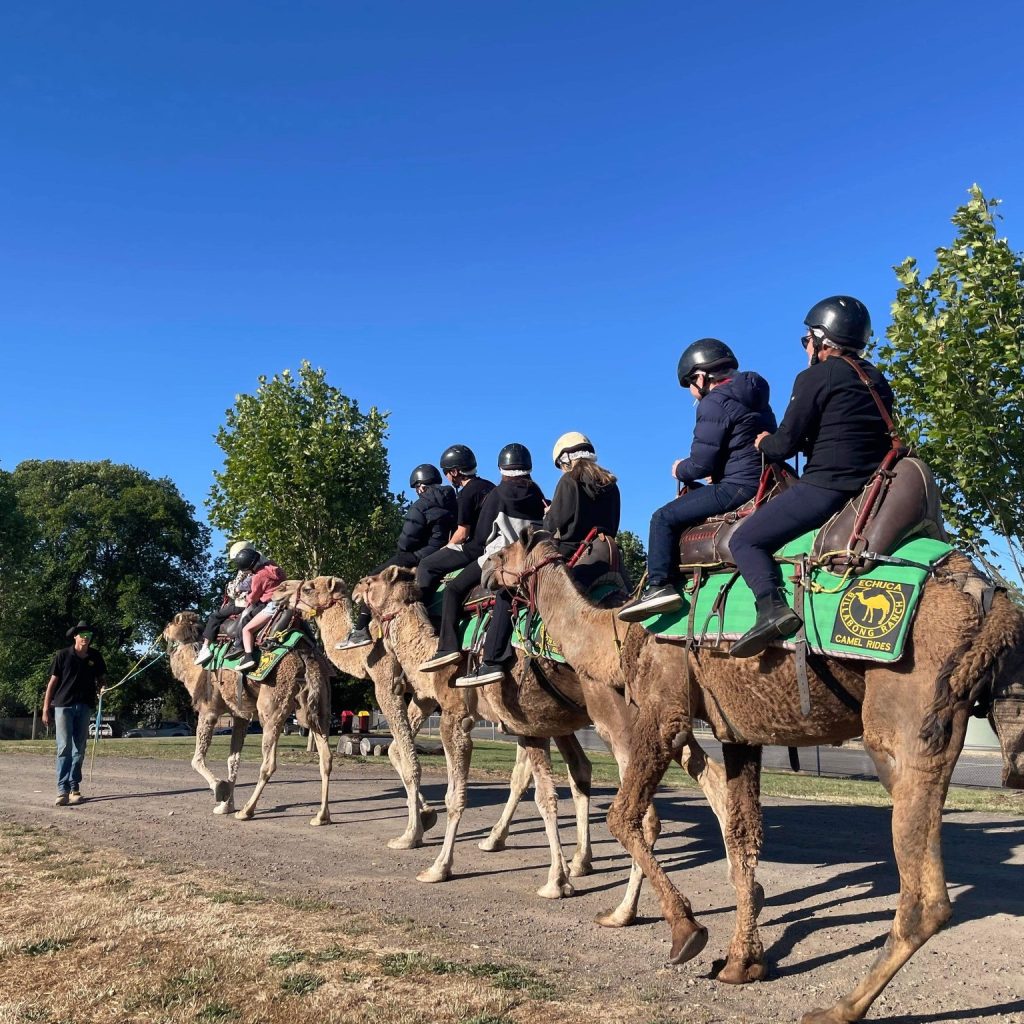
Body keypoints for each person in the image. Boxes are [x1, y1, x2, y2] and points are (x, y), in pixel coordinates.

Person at [729, 295, 894, 658]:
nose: (805, 347)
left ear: (822, 339)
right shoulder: (876, 379)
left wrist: (763, 442)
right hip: (873, 487)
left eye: (807, 339)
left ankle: (771, 609)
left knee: (744, 540)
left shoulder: (815, 376)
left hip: (827, 487)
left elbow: (783, 444)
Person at [618, 339, 776, 622]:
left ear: (701, 377)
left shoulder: (713, 402)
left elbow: (701, 463)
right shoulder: (756, 397)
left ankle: (659, 585)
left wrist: (680, 469)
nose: (691, 393)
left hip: (737, 486)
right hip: (766, 481)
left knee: (662, 518)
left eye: (690, 384)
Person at [420, 443, 545, 685]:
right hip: (532, 559)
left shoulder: (498, 494)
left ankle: (448, 648)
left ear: (502, 468)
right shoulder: (537, 493)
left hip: (502, 558)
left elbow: (482, 538)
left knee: (454, 590)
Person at [335, 464, 458, 649]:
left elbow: (406, 542)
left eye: (417, 488)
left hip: (420, 555)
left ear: (421, 486)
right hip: (445, 553)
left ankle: (360, 630)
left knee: (371, 578)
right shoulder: (454, 500)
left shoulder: (421, 505)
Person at [413, 444, 496, 596]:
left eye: (446, 472)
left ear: (454, 472)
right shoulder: (490, 486)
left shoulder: (466, 494)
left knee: (426, 565)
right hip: (494, 542)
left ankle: (422, 607)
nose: (447, 477)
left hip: (475, 548)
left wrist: (446, 548)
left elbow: (463, 533)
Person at [543, 431, 621, 588]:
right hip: (609, 556)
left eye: (561, 465)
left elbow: (552, 526)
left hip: (573, 557)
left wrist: (549, 513)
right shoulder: (611, 484)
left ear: (566, 459)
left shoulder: (569, 480)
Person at [42, 621, 107, 806]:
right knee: (64, 747)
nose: (86, 638)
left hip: (84, 706)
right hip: (63, 706)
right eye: (82, 635)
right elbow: (52, 683)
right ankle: (62, 789)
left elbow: (102, 678)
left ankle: (74, 787)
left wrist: (103, 687)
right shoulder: (63, 655)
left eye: (89, 635)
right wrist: (46, 708)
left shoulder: (95, 656)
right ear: (75, 637)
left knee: (79, 748)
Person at [194, 540, 256, 666]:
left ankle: (205, 648)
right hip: (255, 602)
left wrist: (231, 588)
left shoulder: (246, 570)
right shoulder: (262, 565)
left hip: (243, 603)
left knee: (214, 616)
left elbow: (235, 590)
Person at [232, 545, 285, 672]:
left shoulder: (258, 577)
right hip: (286, 600)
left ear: (248, 568)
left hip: (273, 605)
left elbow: (253, 598)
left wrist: (246, 597)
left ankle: (248, 657)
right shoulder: (274, 566)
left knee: (246, 629)